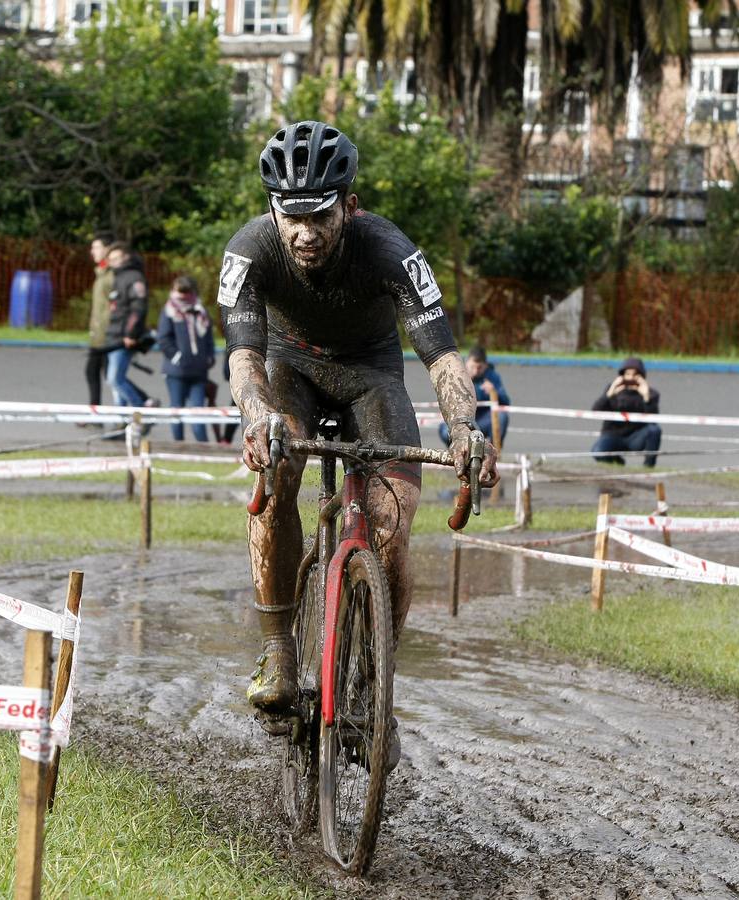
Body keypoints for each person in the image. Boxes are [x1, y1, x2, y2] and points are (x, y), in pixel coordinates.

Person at [220, 120, 498, 768]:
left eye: (318, 215)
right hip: (289, 373)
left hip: (372, 377)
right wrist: (258, 416)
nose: (304, 233)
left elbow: (443, 360)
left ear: (348, 205)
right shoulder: (249, 252)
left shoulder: (390, 250)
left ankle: (373, 688)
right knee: (275, 476)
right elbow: (243, 359)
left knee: (392, 521)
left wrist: (463, 429)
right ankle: (280, 652)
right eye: (290, 217)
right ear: (272, 210)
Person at [157, 275, 215, 441]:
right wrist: (177, 357)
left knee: (198, 413)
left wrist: (208, 357)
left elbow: (208, 338)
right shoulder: (169, 311)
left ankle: (205, 450)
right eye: (179, 292)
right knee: (177, 410)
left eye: (186, 293)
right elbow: (163, 339)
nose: (182, 297)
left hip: (198, 372)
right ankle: (178, 446)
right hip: (176, 372)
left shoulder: (200, 311)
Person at [101, 241, 150, 408]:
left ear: (126, 257)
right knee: (113, 381)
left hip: (123, 337)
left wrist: (130, 333)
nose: (114, 262)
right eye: (111, 259)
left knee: (115, 379)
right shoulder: (118, 277)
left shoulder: (134, 277)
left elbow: (138, 308)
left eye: (117, 258)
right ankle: (121, 420)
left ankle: (141, 412)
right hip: (113, 335)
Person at [590, 356, 661, 467]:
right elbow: (595, 411)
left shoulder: (651, 393)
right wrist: (609, 394)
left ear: (642, 377)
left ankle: (648, 466)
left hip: (636, 437)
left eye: (635, 375)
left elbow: (653, 420)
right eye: (627, 374)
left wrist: (646, 397)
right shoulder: (613, 390)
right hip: (613, 435)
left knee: (654, 430)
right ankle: (617, 462)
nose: (631, 378)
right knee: (598, 452)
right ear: (622, 376)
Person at [438, 345, 509, 446]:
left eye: (479, 368)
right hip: (460, 419)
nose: (476, 371)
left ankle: (493, 451)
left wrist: (493, 392)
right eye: (472, 367)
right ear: (467, 362)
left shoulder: (492, 376)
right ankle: (456, 451)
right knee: (444, 430)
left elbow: (506, 402)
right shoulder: (457, 373)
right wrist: (464, 383)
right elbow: (446, 400)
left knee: (502, 417)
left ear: (485, 365)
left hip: (482, 419)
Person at [83, 235, 113, 408]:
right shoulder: (101, 272)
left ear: (107, 249)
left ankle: (141, 403)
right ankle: (95, 412)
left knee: (112, 376)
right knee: (93, 371)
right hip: (99, 332)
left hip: (107, 333)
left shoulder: (110, 274)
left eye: (96, 247)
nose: (92, 251)